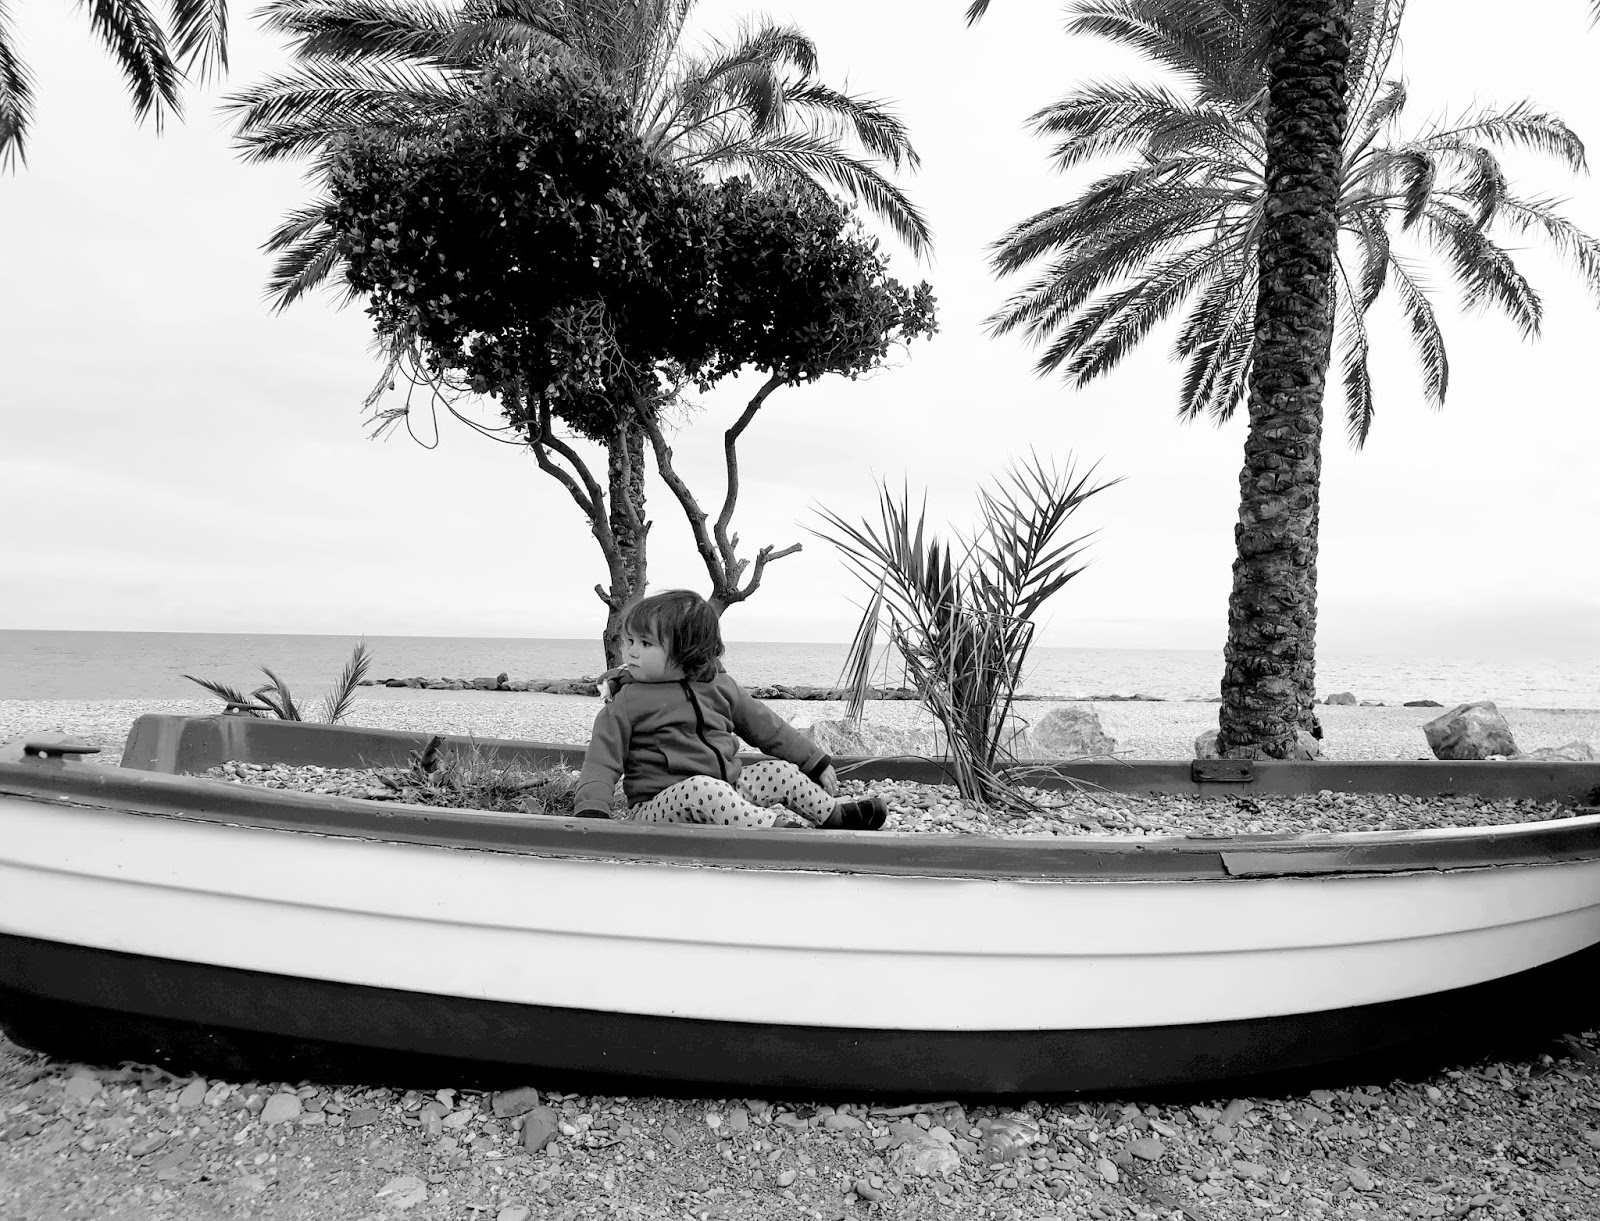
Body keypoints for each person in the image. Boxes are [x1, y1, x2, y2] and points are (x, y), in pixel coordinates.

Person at [574, 589, 889, 830]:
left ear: (687, 650)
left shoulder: (719, 686)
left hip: (727, 790)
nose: (631, 652)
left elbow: (769, 728)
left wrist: (815, 761)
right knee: (703, 788)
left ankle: (835, 816)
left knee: (778, 771)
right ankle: (775, 833)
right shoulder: (626, 702)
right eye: (629, 641)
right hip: (660, 807)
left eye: (645, 644)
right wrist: (592, 811)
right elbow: (601, 761)